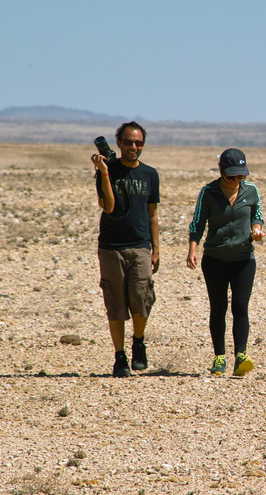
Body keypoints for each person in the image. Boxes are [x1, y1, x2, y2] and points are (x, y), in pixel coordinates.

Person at [186, 148, 265, 377]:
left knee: (240, 306)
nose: (236, 181)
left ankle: (241, 356)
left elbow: (257, 214)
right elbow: (197, 223)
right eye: (231, 176)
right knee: (218, 307)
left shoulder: (251, 191)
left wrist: (257, 229)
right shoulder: (208, 192)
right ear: (220, 170)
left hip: (243, 259)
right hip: (215, 259)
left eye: (241, 176)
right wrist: (193, 249)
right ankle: (219, 357)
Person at [91, 121, 160, 377]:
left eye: (139, 142)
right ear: (118, 143)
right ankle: (119, 357)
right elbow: (108, 206)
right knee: (116, 303)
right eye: (129, 142)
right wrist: (105, 172)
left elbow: (153, 214)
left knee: (142, 299)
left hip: (140, 246)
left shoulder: (151, 174)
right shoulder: (107, 170)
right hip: (111, 247)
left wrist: (156, 249)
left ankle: (138, 342)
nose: (134, 147)